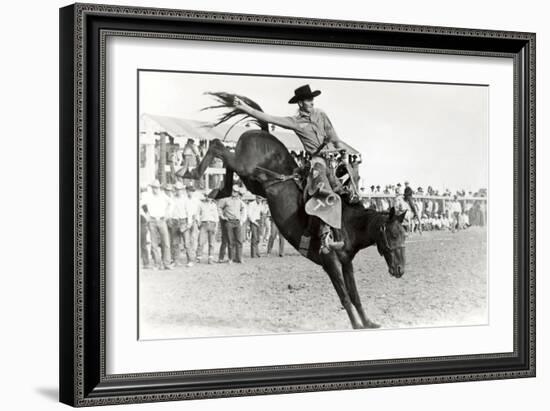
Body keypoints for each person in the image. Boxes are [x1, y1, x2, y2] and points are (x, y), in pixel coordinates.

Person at [232, 84, 347, 253]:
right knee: (326, 194)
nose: (312, 102)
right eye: (308, 99)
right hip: (317, 164)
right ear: (300, 103)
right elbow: (268, 117)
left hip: (332, 162)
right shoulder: (295, 122)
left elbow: (334, 137)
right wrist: (244, 108)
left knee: (347, 193)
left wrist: (343, 153)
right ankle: (325, 237)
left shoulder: (321, 115)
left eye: (312, 98)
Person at [141, 180, 172, 270]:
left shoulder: (163, 196)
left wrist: (167, 213)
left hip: (162, 220)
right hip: (152, 220)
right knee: (154, 243)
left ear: (159, 188)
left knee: (166, 242)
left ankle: (166, 263)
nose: (155, 189)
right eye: (154, 188)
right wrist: (146, 215)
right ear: (152, 188)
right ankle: (157, 264)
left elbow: (171, 203)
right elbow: (139, 205)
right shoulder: (148, 197)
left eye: (157, 188)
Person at [217, 185, 247, 263]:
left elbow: (244, 208)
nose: (234, 192)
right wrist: (222, 216)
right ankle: (230, 258)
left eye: (236, 191)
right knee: (230, 241)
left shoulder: (239, 201)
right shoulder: (226, 200)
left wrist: (241, 218)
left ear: (238, 193)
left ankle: (240, 258)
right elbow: (219, 207)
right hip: (229, 222)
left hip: (237, 222)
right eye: (233, 191)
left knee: (239, 241)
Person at [171, 181, 193, 267]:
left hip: (183, 221)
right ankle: (176, 260)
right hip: (174, 221)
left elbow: (189, 211)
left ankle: (190, 260)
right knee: (175, 243)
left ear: (182, 190)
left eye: (180, 189)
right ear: (175, 190)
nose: (178, 191)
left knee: (186, 242)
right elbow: (170, 210)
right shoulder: (172, 199)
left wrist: (189, 223)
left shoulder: (185, 199)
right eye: (176, 189)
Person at [196, 192, 219, 264]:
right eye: (207, 196)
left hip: (212, 224)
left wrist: (216, 226)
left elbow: (216, 217)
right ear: (205, 196)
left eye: (210, 196)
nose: (208, 198)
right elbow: (197, 214)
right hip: (204, 224)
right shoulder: (201, 204)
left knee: (212, 243)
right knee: (201, 242)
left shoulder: (214, 205)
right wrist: (198, 222)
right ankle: (199, 257)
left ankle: (210, 258)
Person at [185, 184, 200, 265]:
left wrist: (197, 220)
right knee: (186, 240)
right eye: (189, 191)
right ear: (186, 191)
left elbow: (197, 211)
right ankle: (189, 258)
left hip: (194, 220)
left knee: (194, 239)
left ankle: (192, 258)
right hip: (186, 220)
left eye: (192, 191)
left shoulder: (196, 200)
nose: (191, 192)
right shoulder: (184, 200)